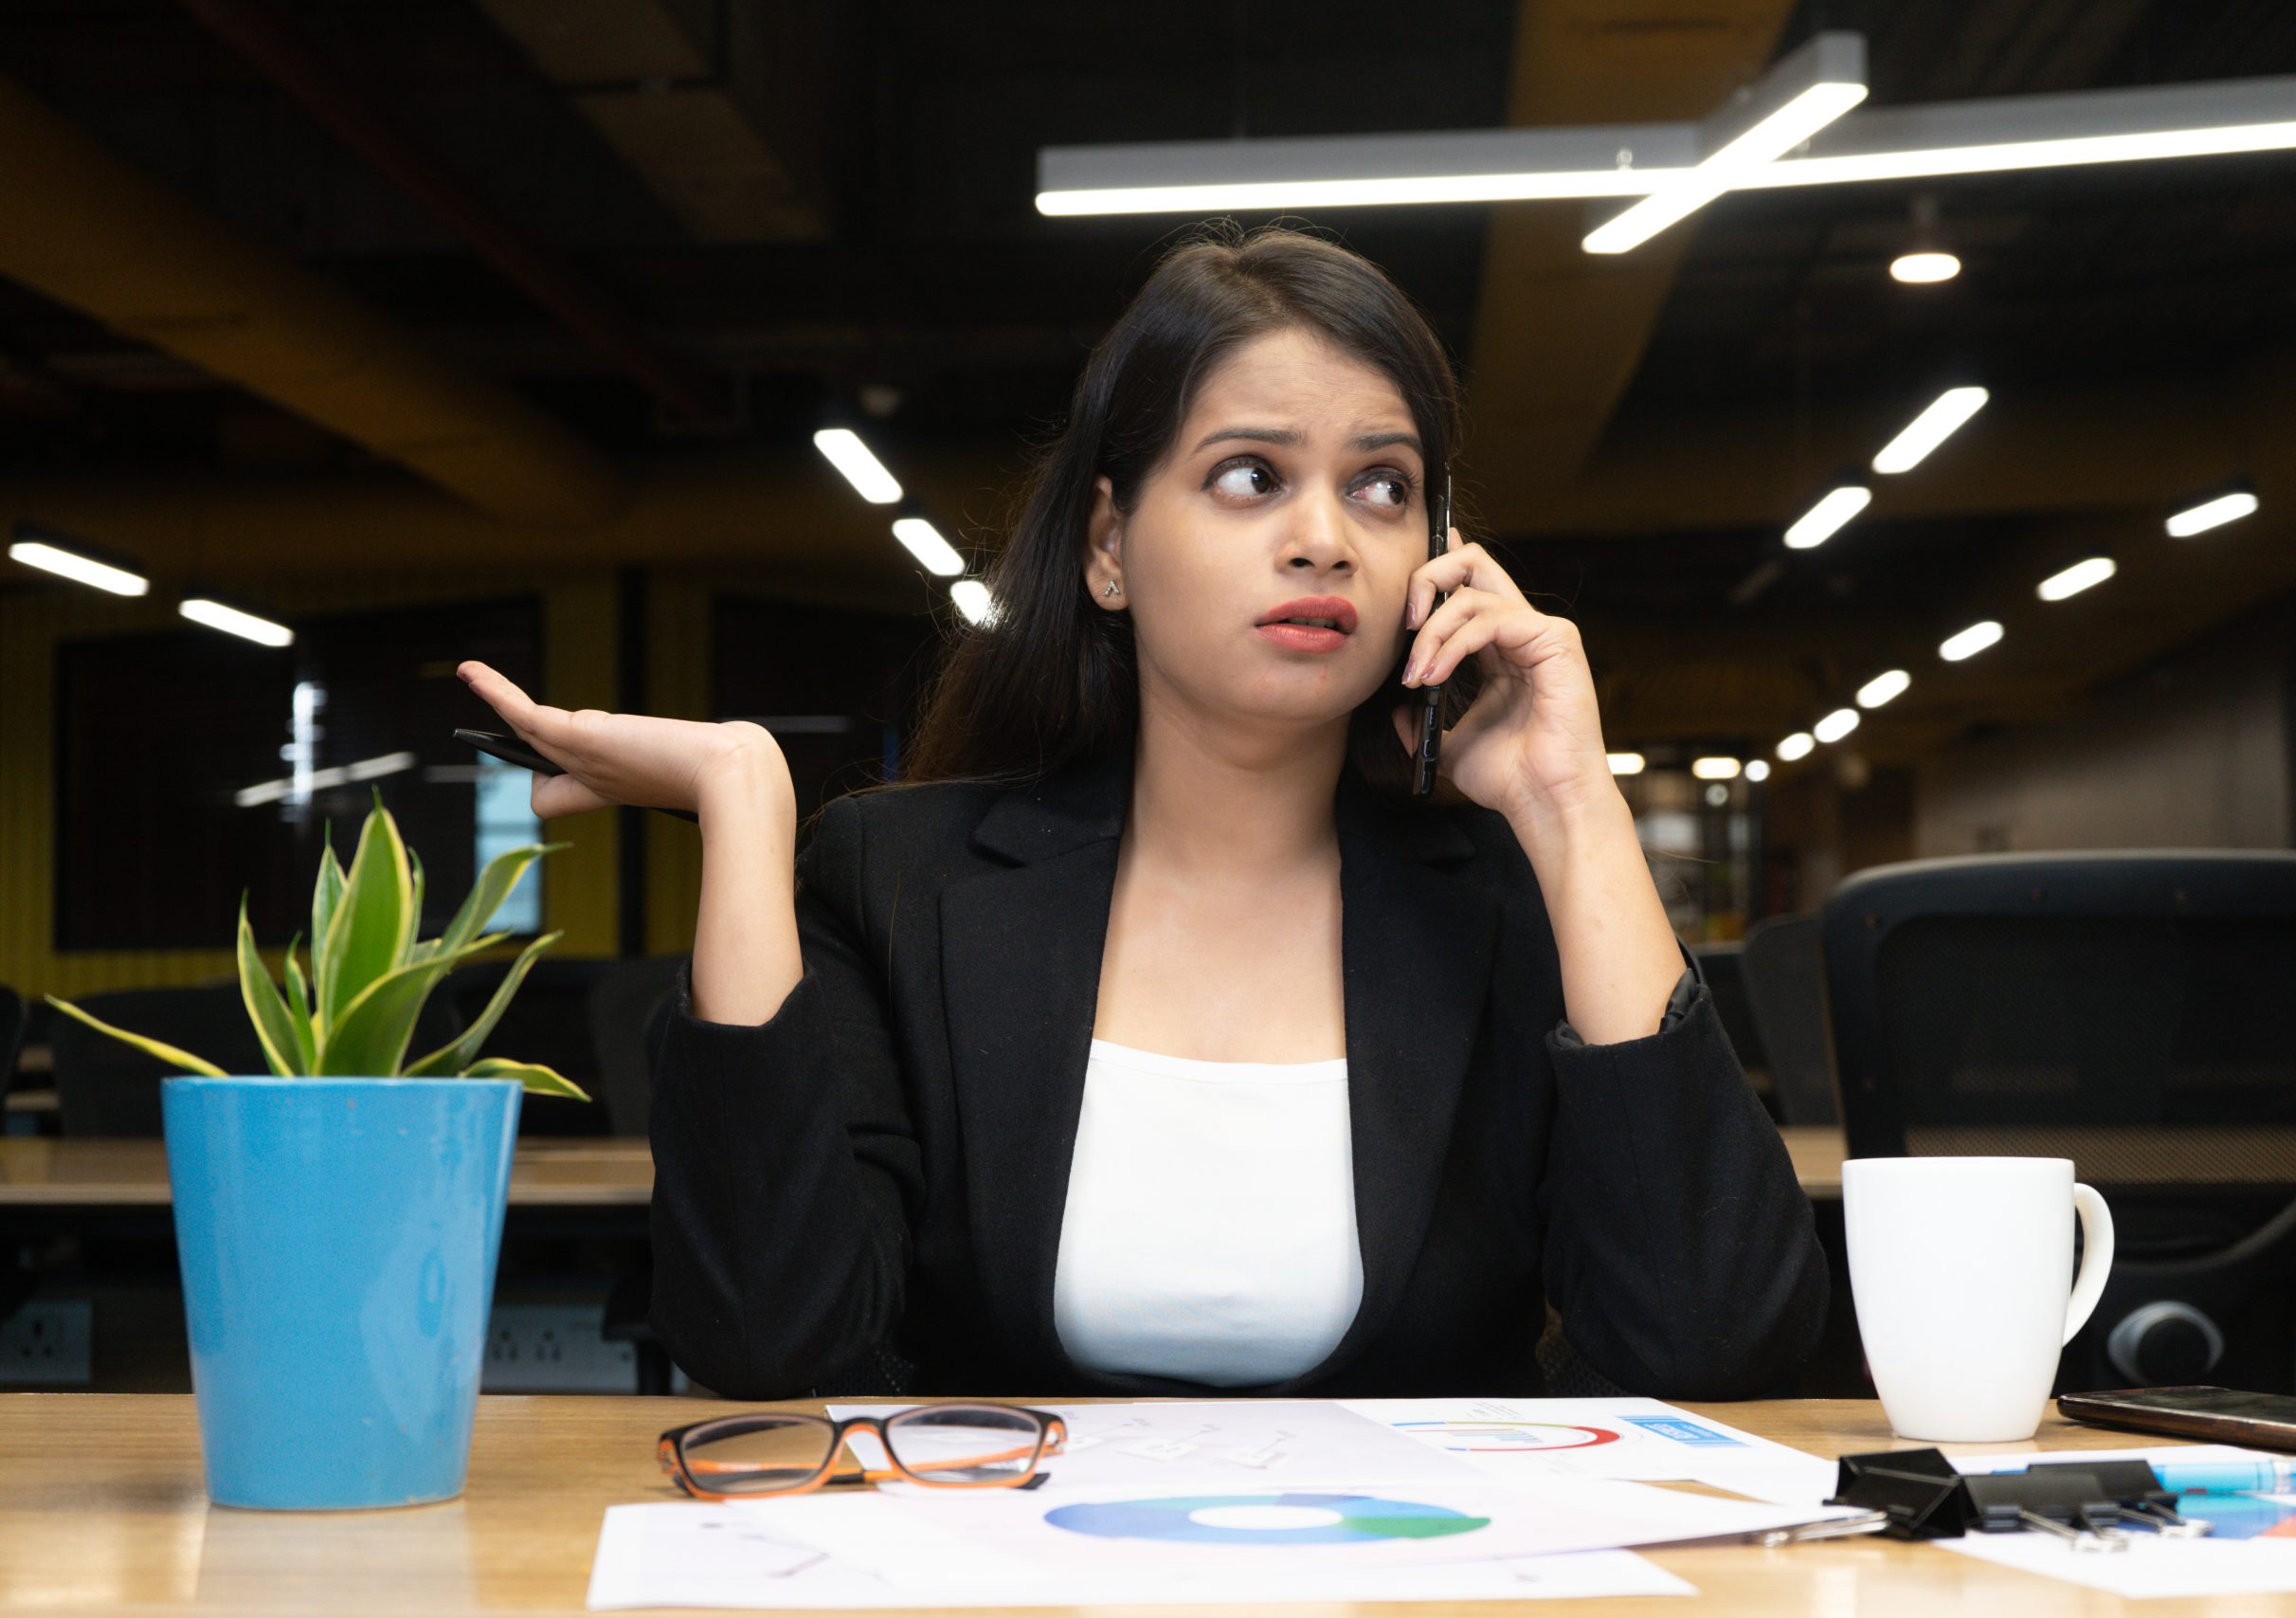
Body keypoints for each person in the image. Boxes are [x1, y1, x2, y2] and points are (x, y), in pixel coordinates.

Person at [457, 223, 1827, 1401]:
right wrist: (746, 808)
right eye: (1252, 476)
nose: (1325, 538)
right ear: (1109, 546)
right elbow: (768, 1340)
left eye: (1382, 486)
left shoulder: (1511, 894)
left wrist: (1574, 805)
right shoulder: (899, 884)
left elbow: (1714, 1341)